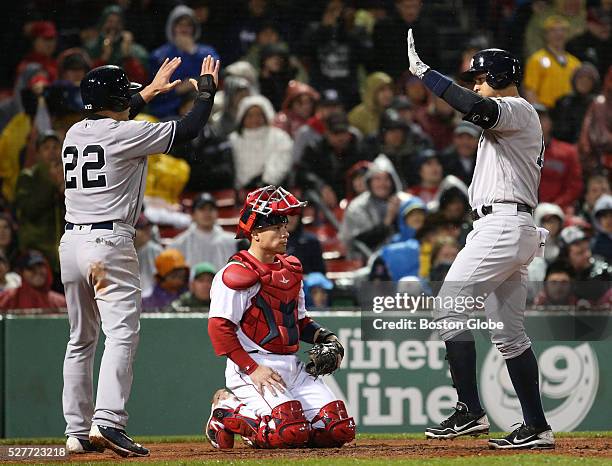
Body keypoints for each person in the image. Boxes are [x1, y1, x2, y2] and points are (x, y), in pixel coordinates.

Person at [60, 55, 220, 457]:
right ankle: (109, 421)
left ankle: (77, 431)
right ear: (118, 100)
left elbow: (118, 116)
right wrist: (206, 89)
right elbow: (189, 128)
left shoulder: (74, 133)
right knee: (121, 334)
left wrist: (147, 91)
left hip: (71, 244)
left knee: (80, 340)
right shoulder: (124, 134)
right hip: (109, 245)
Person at [407, 33, 555, 448]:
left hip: (503, 224)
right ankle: (537, 427)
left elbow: (473, 106)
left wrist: (426, 74)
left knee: (449, 307)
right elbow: (475, 105)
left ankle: (470, 411)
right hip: (511, 225)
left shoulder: (517, 109)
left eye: (480, 76)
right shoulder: (513, 114)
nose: (475, 83)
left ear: (501, 75)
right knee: (510, 336)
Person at [206, 185, 355, 449]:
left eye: (285, 225)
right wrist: (252, 369)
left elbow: (299, 322)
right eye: (276, 226)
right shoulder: (236, 273)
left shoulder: (291, 269)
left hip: (291, 365)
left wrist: (328, 338)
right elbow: (220, 329)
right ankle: (226, 410)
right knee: (289, 433)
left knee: (338, 428)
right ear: (255, 233)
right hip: (253, 366)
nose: (285, 233)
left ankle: (273, 418)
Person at [14, 130, 66, 285]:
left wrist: (65, 192)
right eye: (46, 147)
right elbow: (29, 210)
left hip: (65, 256)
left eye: (55, 147)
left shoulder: (70, 174)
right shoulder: (28, 176)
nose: (51, 152)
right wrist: (53, 184)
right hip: (37, 257)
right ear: (38, 153)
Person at [149, 5, 220, 118]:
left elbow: (215, 71)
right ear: (172, 27)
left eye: (188, 25)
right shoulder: (159, 55)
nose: (184, 29)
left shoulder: (206, 51)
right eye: (180, 25)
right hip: (168, 111)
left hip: (201, 104)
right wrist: (176, 91)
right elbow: (154, 93)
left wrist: (193, 52)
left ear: (194, 28)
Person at [341, 154, 409, 258]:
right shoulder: (357, 206)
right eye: (377, 179)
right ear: (370, 182)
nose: (382, 184)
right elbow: (361, 242)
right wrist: (388, 219)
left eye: (387, 179)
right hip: (366, 261)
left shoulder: (405, 201)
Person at [230, 95, 293, 189]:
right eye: (250, 115)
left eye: (259, 115)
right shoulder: (233, 140)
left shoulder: (280, 137)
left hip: (273, 191)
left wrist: (265, 183)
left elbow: (281, 164)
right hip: (241, 194)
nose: (255, 119)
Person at [169, 192, 239, 270]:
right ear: (193, 214)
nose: (207, 213)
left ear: (217, 213)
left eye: (211, 209)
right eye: (202, 209)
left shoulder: (233, 241)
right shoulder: (178, 243)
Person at [523, 15, 581, 108]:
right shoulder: (536, 59)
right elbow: (530, 91)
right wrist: (539, 114)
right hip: (546, 112)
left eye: (562, 30)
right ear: (545, 34)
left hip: (569, 114)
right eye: (553, 30)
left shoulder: (575, 63)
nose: (558, 34)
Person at [534, 104, 583, 211]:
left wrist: (555, 207)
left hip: (559, 211)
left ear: (550, 123)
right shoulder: (518, 152)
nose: (537, 122)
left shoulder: (567, 152)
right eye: (533, 118)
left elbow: (574, 186)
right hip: (525, 211)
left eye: (541, 118)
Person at [84, 5, 149, 85]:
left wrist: (127, 56)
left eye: (118, 22)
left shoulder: (136, 50)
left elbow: (141, 81)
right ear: (102, 24)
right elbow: (89, 81)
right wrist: (104, 57)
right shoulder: (91, 48)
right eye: (110, 21)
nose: (114, 26)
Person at [0, 250, 66, 311]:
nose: (37, 271)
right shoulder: (9, 298)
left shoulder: (59, 302)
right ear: (21, 273)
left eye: (40, 266)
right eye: (30, 268)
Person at [551, 63, 600, 144]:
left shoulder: (598, 104)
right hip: (565, 147)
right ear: (574, 80)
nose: (584, 82)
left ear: (594, 83)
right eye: (581, 78)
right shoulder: (562, 102)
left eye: (588, 79)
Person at [348, 71, 393, 136]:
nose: (388, 94)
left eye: (389, 89)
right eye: (382, 90)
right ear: (372, 92)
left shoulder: (393, 112)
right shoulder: (357, 115)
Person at [134, 213, 163, 299]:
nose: (147, 231)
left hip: (154, 298)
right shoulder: (119, 251)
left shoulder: (156, 250)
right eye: (142, 228)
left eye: (148, 228)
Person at [591, 194, 612, 262]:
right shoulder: (595, 244)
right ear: (598, 220)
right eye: (605, 216)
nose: (609, 220)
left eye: (611, 215)